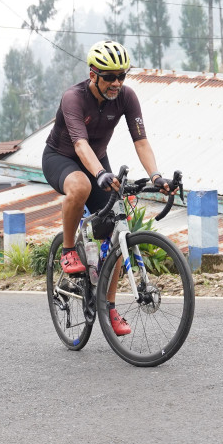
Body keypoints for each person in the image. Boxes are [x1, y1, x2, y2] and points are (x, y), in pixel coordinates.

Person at [40, 40, 172, 338]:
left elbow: (141, 141)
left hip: (97, 161)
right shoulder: (73, 98)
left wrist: (155, 176)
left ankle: (108, 307)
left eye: (121, 75)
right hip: (61, 157)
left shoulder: (126, 97)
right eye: (110, 76)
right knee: (81, 185)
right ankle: (68, 250)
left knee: (117, 229)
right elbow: (79, 144)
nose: (117, 82)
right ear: (93, 74)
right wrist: (100, 173)